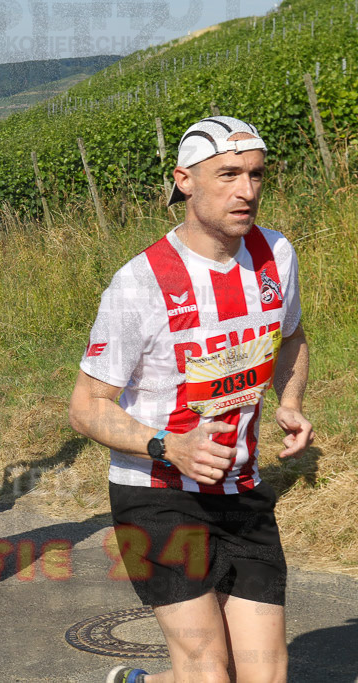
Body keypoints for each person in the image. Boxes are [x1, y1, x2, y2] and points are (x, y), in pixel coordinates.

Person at [68, 117, 313, 683]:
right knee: (207, 672)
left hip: (241, 487)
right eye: (228, 175)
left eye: (256, 175)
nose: (246, 191)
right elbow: (86, 407)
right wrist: (168, 445)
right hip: (156, 492)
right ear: (184, 181)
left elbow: (292, 335)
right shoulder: (140, 283)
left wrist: (290, 401)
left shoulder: (277, 254)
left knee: (264, 676)